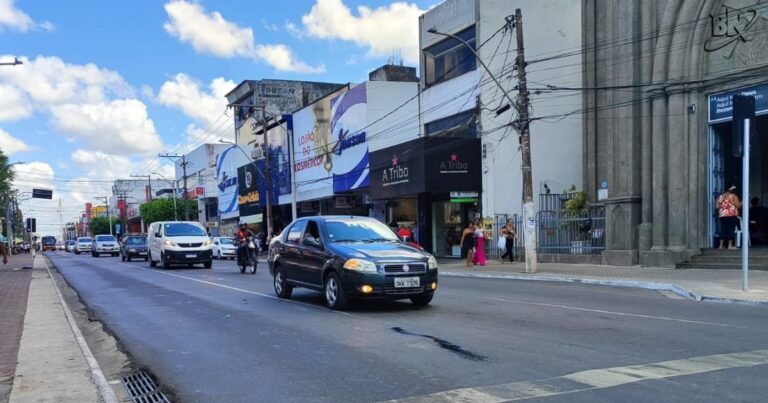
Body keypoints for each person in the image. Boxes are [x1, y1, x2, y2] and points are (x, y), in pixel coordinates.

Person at [716, 185, 742, 250]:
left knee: (723, 229)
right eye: (733, 188)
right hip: (732, 215)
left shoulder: (720, 196)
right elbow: (738, 206)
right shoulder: (733, 196)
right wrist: (743, 202)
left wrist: (724, 207)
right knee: (731, 229)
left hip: (722, 215)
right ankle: (730, 246)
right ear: (731, 189)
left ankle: (720, 246)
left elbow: (717, 206)